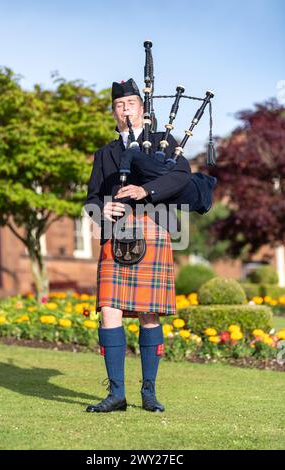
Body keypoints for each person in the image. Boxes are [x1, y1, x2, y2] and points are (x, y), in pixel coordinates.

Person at [84, 78, 192, 413]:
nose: (125, 110)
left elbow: (182, 176)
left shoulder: (162, 142)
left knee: (148, 314)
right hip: (116, 235)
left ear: (142, 109)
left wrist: (146, 191)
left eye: (130, 103)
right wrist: (103, 209)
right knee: (109, 312)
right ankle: (116, 394)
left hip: (152, 229)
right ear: (113, 113)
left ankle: (149, 392)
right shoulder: (106, 153)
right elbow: (89, 200)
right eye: (119, 105)